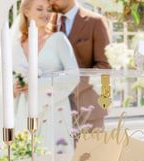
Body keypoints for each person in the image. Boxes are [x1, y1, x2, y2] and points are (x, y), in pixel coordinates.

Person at [12, 0, 79, 154]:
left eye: (48, 9)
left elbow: (73, 75)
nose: (46, 14)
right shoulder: (16, 45)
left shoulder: (58, 39)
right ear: (27, 12)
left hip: (54, 110)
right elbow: (8, 78)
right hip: (25, 111)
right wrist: (14, 89)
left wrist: (37, 84)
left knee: (53, 157)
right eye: (39, 9)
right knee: (25, 157)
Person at [47, 0, 111, 129]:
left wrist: (69, 86)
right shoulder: (47, 24)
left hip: (87, 109)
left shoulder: (95, 22)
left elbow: (104, 65)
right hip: (54, 110)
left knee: (90, 150)